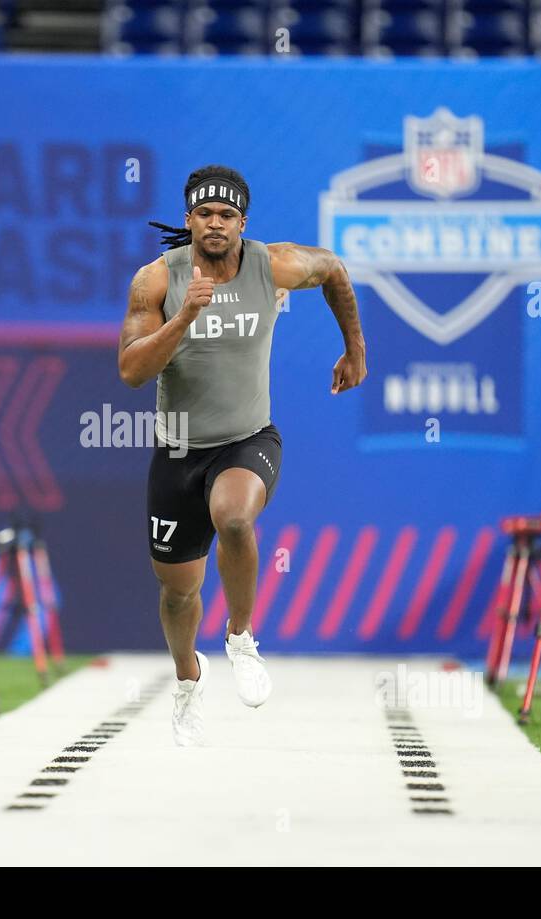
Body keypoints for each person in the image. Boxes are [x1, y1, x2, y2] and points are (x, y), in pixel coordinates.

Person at [117, 165, 367, 745]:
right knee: (177, 592)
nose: (215, 224)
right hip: (178, 451)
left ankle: (241, 636)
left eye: (226, 216)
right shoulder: (156, 281)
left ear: (241, 224)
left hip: (248, 438)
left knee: (234, 516)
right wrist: (183, 318)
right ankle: (188, 683)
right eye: (204, 214)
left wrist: (354, 349)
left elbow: (332, 267)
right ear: (189, 220)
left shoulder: (270, 264)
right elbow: (131, 371)